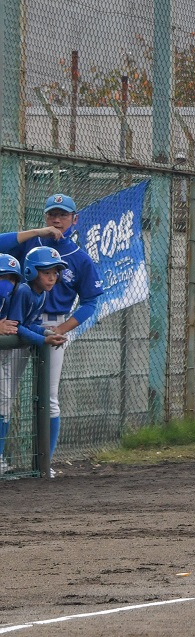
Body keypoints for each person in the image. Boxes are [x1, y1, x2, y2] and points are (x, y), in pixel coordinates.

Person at [0, 193, 104, 470]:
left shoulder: (80, 258)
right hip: (18, 322)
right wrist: (37, 232)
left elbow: (91, 301)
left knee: (50, 397)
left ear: (74, 219)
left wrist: (62, 328)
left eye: (63, 214)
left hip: (53, 324)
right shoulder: (31, 244)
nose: (57, 219)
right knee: (5, 392)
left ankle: (45, 464)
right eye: (51, 214)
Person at [0, 248, 70, 476]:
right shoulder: (22, 292)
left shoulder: (40, 294)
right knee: (3, 401)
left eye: (55, 273)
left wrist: (45, 333)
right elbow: (18, 327)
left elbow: (26, 324)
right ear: (31, 272)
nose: (52, 277)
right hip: (6, 352)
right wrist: (42, 339)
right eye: (46, 272)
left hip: (8, 352)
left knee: (4, 402)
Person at [0, 254, 23, 473]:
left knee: (4, 402)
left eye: (11, 278)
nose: (7, 283)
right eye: (2, 277)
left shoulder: (9, 300)